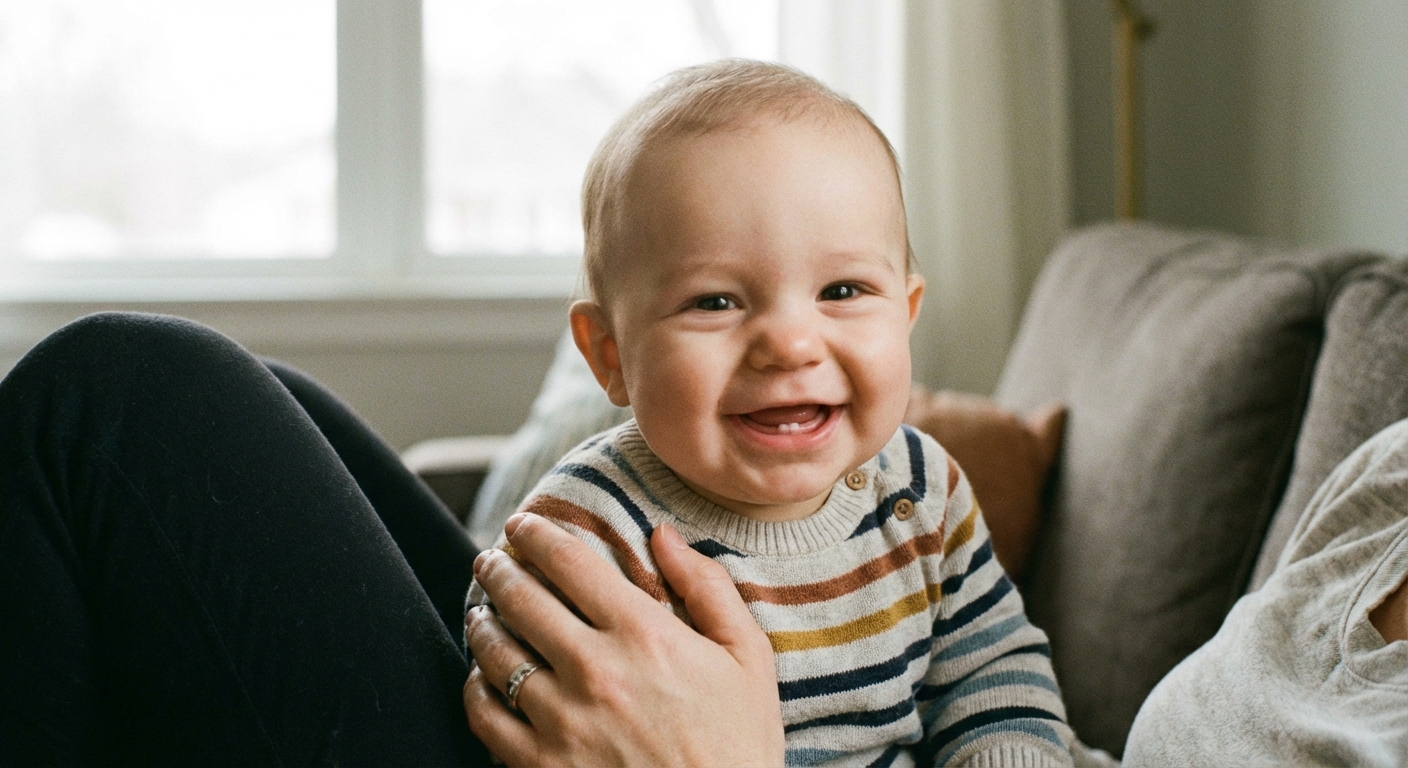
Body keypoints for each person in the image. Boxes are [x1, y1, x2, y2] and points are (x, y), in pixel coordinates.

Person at [465, 60, 1073, 767]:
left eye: (843, 289)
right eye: (715, 301)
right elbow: (540, 733)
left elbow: (990, 668)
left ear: (905, 316)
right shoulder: (583, 538)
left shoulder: (922, 489)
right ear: (610, 356)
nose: (789, 343)